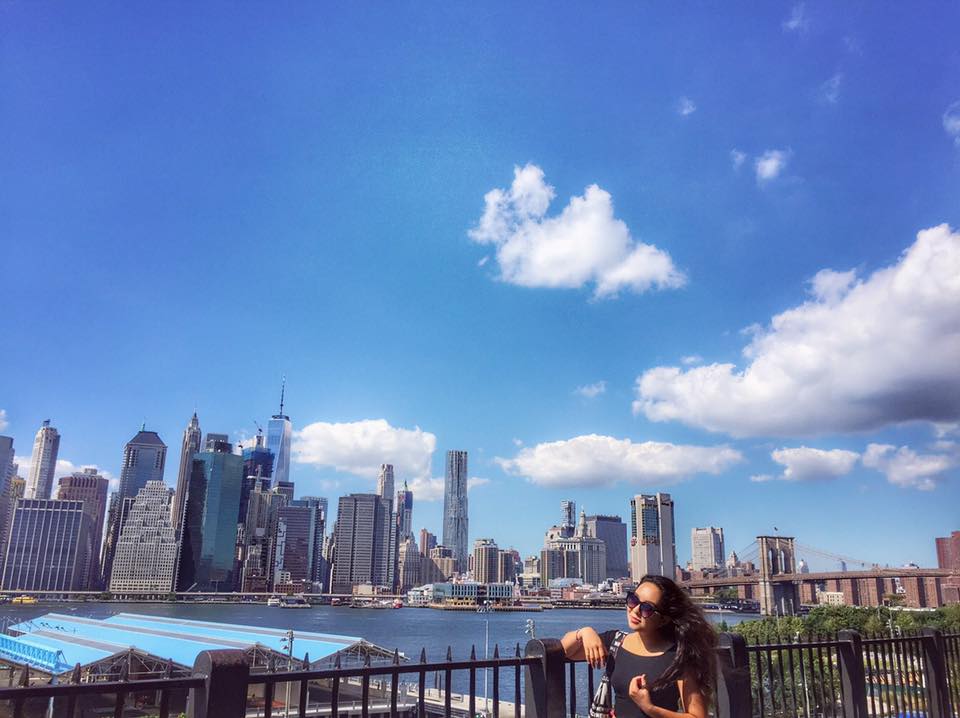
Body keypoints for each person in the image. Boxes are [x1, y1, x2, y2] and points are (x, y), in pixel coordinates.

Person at [561, 575, 716, 718]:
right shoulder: (616, 642)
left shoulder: (680, 656)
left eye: (646, 608)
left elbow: (697, 716)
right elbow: (563, 652)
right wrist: (584, 632)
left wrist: (649, 708)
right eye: (633, 600)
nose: (635, 610)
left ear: (663, 619)